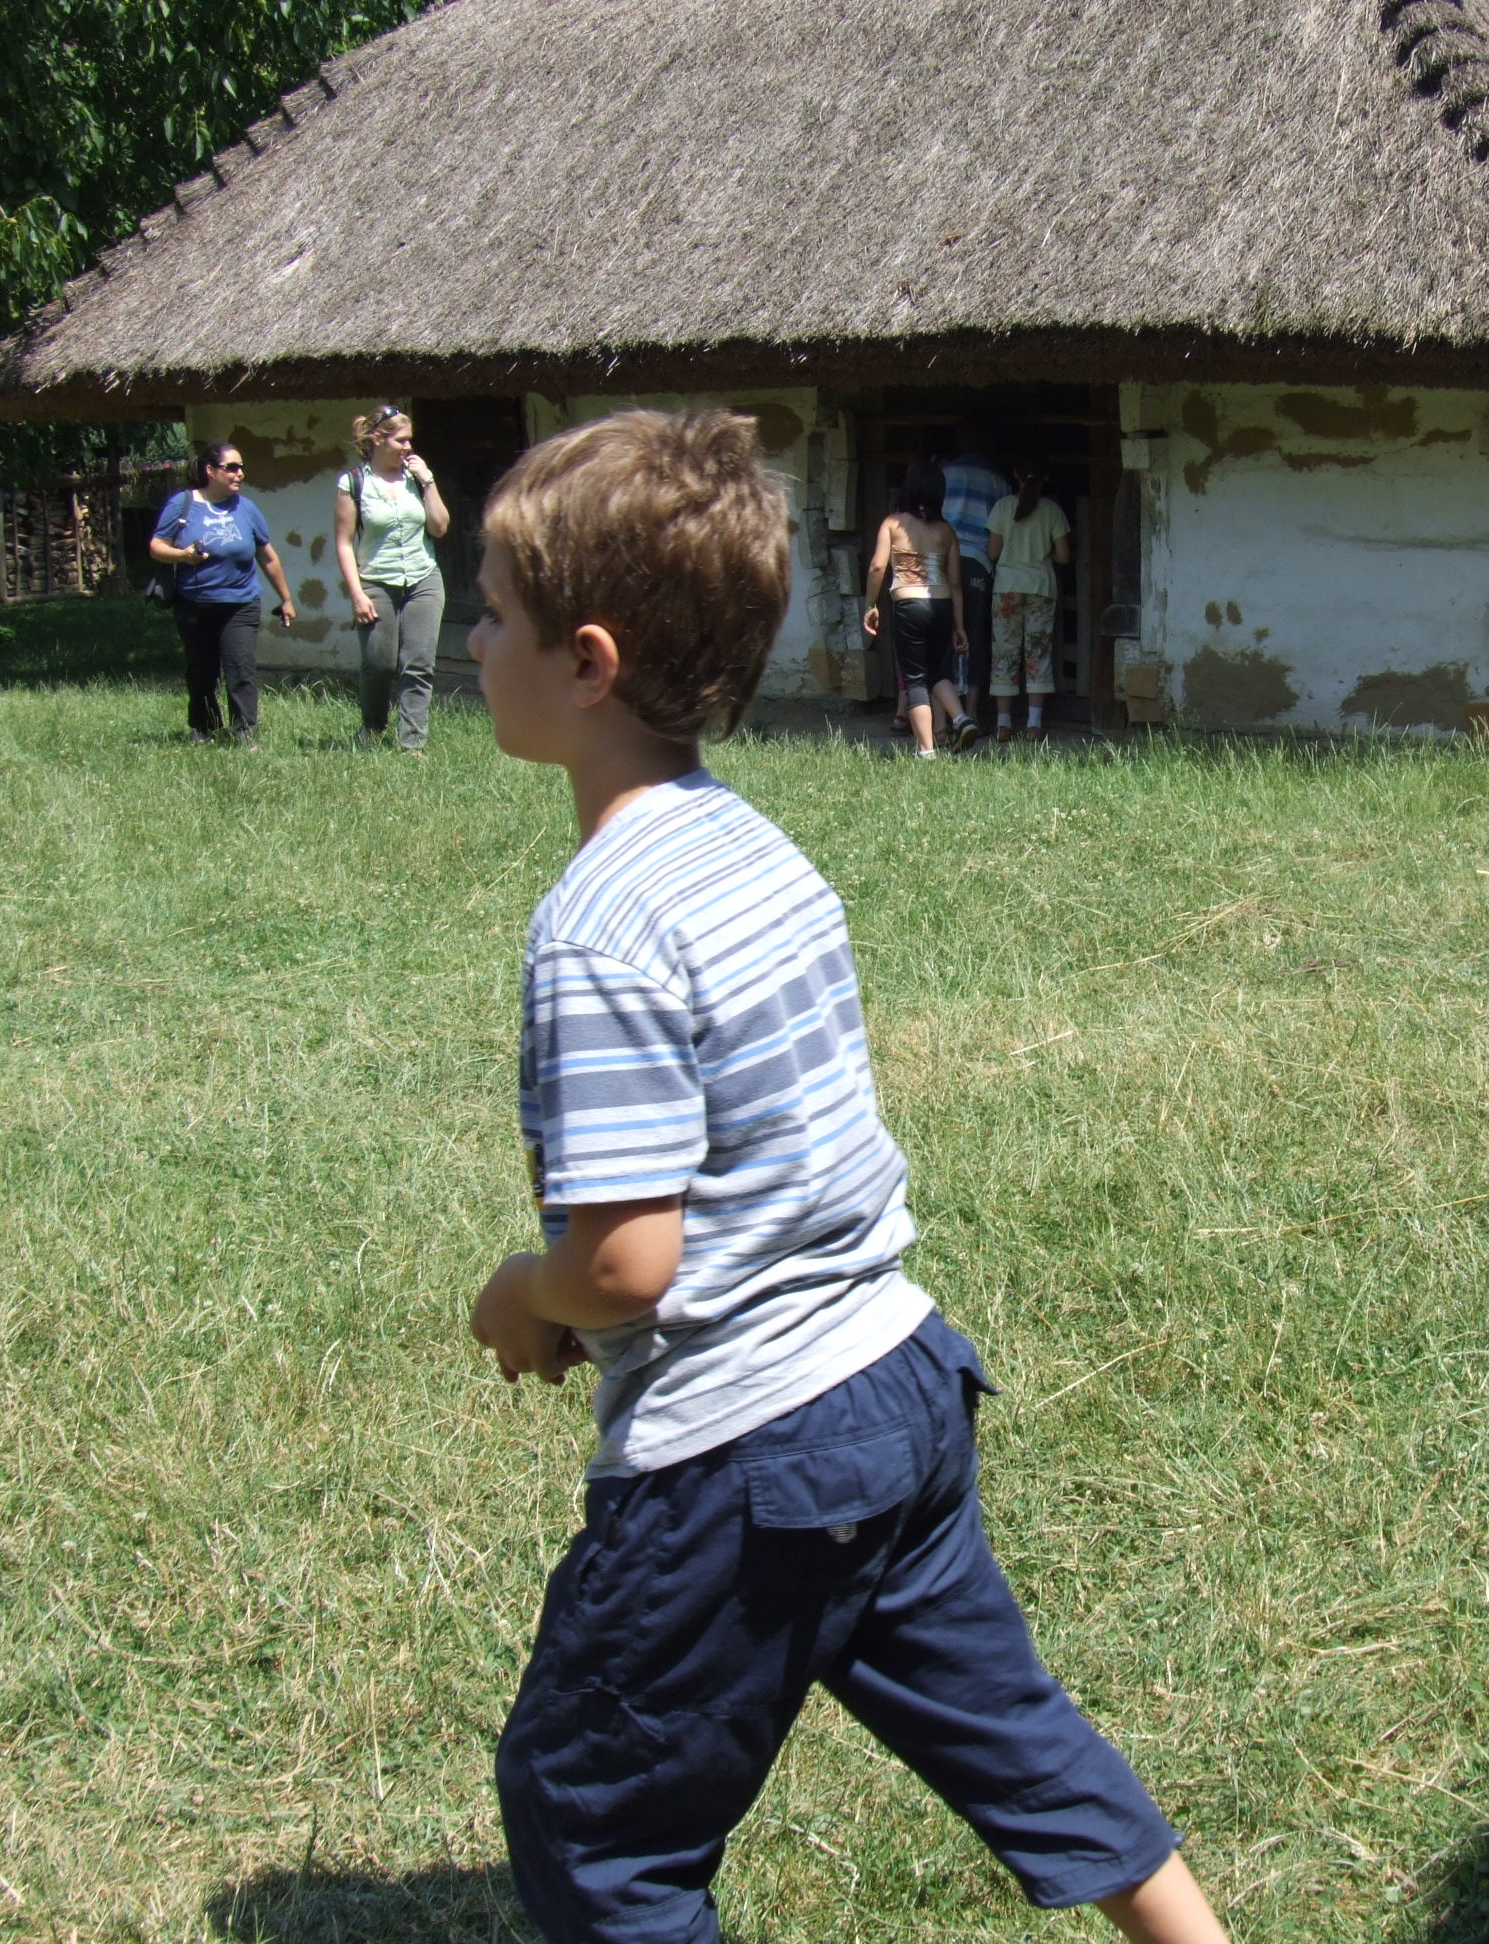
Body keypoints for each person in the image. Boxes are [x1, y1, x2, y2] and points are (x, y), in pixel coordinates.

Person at [465, 409, 1229, 1944]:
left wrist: (521, 1292)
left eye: (489, 615)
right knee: (1016, 1735)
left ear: (588, 662)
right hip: (898, 1383)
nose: (469, 642)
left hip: (745, 1460)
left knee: (589, 1811)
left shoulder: (599, 926)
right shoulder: (757, 849)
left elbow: (625, 1264)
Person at [147, 443, 294, 745]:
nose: (240, 473)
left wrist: (286, 598)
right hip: (194, 603)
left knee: (240, 670)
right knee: (201, 671)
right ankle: (205, 728)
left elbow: (267, 556)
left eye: (241, 467)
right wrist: (184, 556)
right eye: (232, 467)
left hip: (241, 603)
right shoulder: (182, 504)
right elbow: (157, 547)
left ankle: (244, 733)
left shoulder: (247, 508)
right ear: (210, 470)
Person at [335, 404, 450, 753]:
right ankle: (372, 727)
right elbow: (343, 542)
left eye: (410, 440)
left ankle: (412, 743)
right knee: (379, 663)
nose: (408, 447)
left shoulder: (416, 478)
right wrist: (357, 594)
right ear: (377, 440)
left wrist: (428, 481)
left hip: (423, 579)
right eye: (401, 440)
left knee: (419, 664)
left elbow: (440, 527)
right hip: (376, 581)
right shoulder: (353, 482)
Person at [862, 460, 979, 756]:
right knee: (936, 670)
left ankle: (926, 752)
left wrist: (870, 604)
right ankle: (961, 718)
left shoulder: (892, 524)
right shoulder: (947, 532)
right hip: (941, 605)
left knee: (914, 677)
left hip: (908, 605)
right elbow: (955, 583)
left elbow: (877, 567)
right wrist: (959, 626)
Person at [987, 455, 1073, 742]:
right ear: (1046, 477)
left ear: (1015, 473)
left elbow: (993, 552)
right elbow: (1063, 556)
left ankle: (1003, 723)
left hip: (1007, 587)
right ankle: (1034, 724)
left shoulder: (1002, 507)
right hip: (1040, 588)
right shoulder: (1053, 511)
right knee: (1038, 654)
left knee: (1004, 653)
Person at [941, 425, 1008, 721]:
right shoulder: (998, 480)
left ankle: (947, 714)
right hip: (979, 562)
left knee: (945, 635)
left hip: (944, 560)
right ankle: (972, 712)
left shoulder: (944, 473)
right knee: (976, 635)